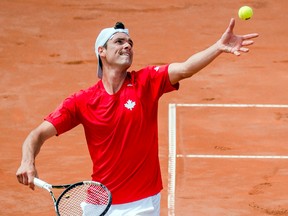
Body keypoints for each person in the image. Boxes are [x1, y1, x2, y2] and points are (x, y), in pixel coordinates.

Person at [16, 19, 258, 215]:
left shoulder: (146, 82)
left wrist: (218, 47)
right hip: (98, 201)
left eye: (130, 42)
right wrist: (28, 160)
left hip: (141, 204)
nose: (128, 46)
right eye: (119, 41)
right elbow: (36, 134)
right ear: (101, 51)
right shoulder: (82, 100)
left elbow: (185, 68)